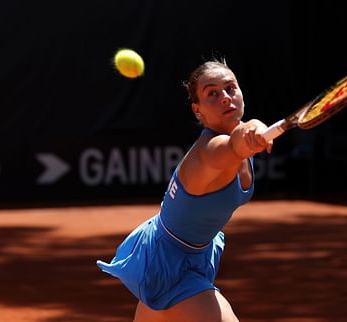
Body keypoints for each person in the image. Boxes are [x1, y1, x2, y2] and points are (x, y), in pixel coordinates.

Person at [97, 59, 273, 322]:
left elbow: (240, 140)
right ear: (198, 110)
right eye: (212, 93)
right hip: (168, 263)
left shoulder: (240, 138)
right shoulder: (210, 152)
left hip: (190, 252)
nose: (225, 97)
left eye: (230, 88)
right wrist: (254, 126)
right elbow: (235, 145)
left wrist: (250, 130)